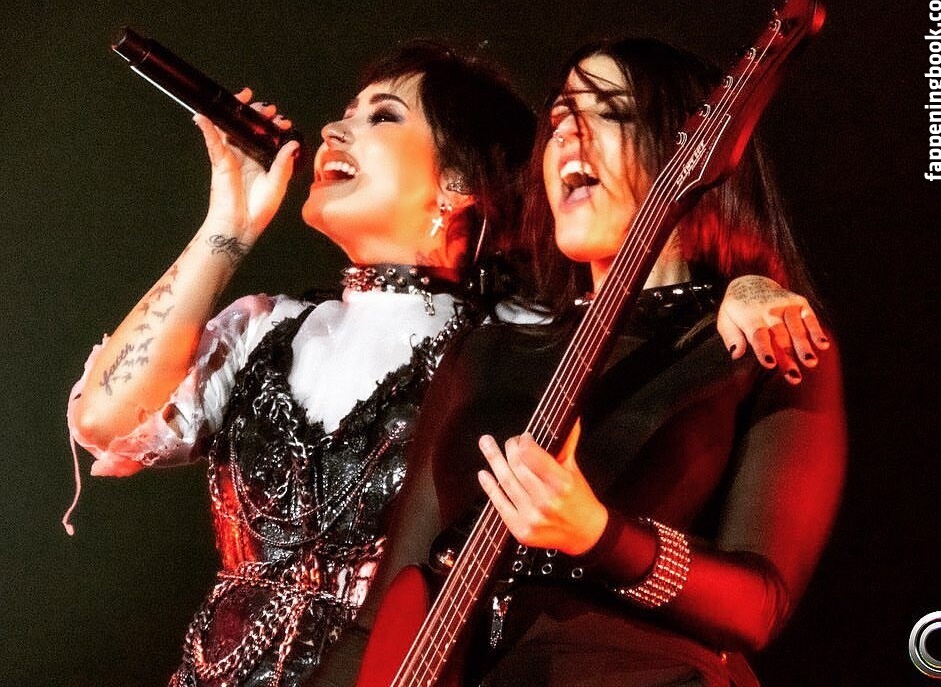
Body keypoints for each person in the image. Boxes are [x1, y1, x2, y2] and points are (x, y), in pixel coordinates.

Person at [66, 41, 827, 687]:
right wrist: (226, 226)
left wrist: (743, 285)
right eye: (559, 118)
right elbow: (104, 419)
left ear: (462, 183)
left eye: (383, 116)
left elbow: (638, 307)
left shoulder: (511, 334)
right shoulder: (281, 330)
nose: (333, 128)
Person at [335, 38, 845, 687]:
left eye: (610, 111)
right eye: (558, 119)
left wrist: (600, 536)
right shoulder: (485, 351)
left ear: (690, 149)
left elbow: (759, 605)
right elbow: (377, 626)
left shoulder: (762, 339)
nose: (568, 134)